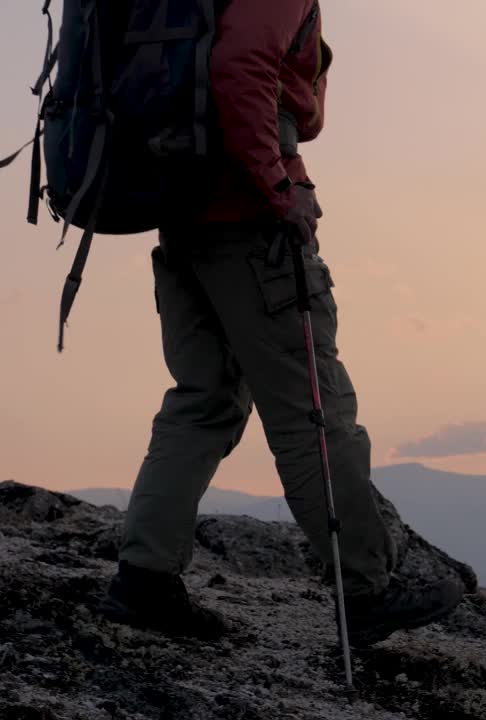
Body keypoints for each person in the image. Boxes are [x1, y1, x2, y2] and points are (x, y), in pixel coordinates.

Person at [95, 0, 462, 646]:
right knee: (312, 410)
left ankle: (144, 577)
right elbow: (238, 68)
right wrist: (279, 187)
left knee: (202, 401)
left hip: (183, 215)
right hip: (250, 223)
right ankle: (366, 586)